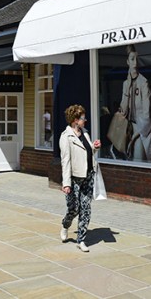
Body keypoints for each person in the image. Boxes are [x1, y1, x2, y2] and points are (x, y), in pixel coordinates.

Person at [59, 104, 101, 253]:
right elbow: (65, 161)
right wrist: (66, 183)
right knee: (74, 208)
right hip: (74, 178)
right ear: (75, 120)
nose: (85, 120)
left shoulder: (85, 133)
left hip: (88, 176)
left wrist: (95, 147)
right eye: (83, 118)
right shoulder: (66, 137)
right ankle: (65, 225)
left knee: (86, 209)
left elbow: (87, 152)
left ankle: (81, 240)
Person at [119, 45, 151, 162]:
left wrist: (138, 132)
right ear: (127, 62)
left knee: (138, 160)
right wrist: (127, 91)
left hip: (142, 129)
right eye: (132, 59)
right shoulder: (126, 84)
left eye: (137, 59)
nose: (135, 63)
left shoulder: (143, 82)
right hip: (129, 129)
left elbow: (147, 112)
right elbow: (123, 111)